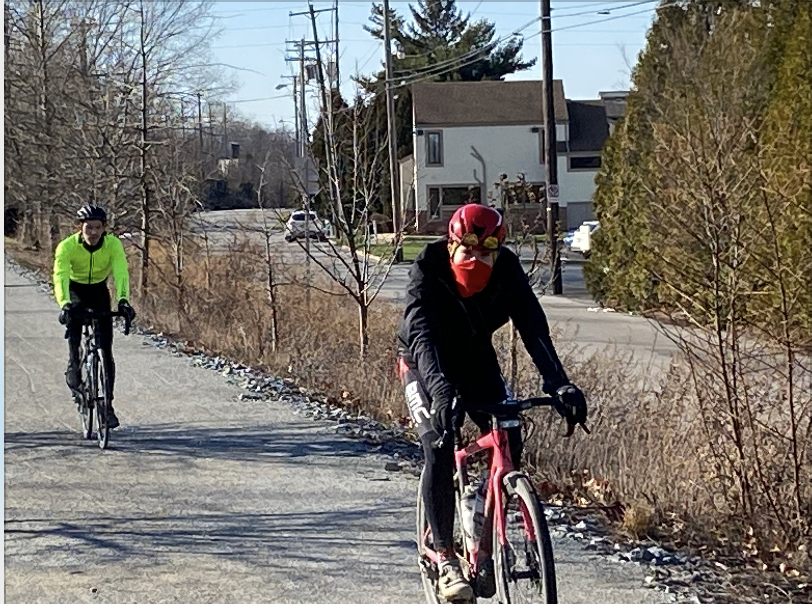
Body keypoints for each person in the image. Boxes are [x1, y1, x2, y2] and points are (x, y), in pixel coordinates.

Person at [397, 204, 587, 602]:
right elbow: (422, 339)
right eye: (468, 250)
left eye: (487, 252)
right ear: (451, 247)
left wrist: (560, 384)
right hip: (424, 362)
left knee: (508, 437)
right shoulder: (427, 272)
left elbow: (533, 327)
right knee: (439, 444)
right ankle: (446, 558)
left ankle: (481, 511)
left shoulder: (507, 272)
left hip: (475, 358)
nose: (477, 259)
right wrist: (443, 394)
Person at [53, 205, 136, 429]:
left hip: (99, 291)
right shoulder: (67, 246)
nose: (93, 232)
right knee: (75, 328)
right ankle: (74, 365)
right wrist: (65, 305)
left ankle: (107, 406)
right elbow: (60, 275)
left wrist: (123, 300)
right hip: (76, 290)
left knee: (105, 349)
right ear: (80, 228)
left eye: (97, 227)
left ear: (104, 228)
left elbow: (120, 271)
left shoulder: (112, 245)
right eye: (88, 227)